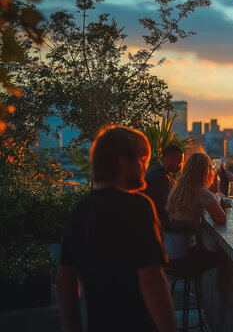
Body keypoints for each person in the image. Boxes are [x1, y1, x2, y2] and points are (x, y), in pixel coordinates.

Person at [57, 126, 176, 332]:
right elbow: (152, 280)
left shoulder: (82, 207)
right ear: (124, 162)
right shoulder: (138, 205)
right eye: (142, 160)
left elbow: (64, 279)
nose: (145, 168)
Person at [165, 152, 227, 275]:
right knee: (225, 260)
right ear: (206, 171)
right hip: (186, 257)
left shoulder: (179, 191)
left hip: (169, 256)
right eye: (210, 168)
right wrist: (217, 192)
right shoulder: (202, 193)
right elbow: (221, 219)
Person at [143, 145, 184, 231]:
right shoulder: (162, 178)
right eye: (178, 163)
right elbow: (164, 207)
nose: (180, 167)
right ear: (167, 160)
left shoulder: (153, 168)